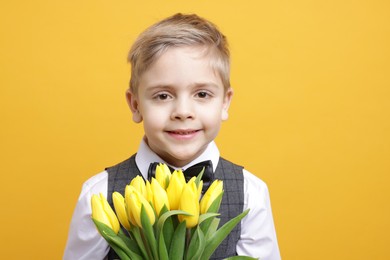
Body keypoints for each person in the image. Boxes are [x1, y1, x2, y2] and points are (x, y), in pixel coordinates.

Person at [64, 13, 281, 260]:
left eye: (201, 94)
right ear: (135, 105)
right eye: (163, 96)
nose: (183, 112)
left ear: (224, 103)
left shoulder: (251, 193)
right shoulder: (99, 194)